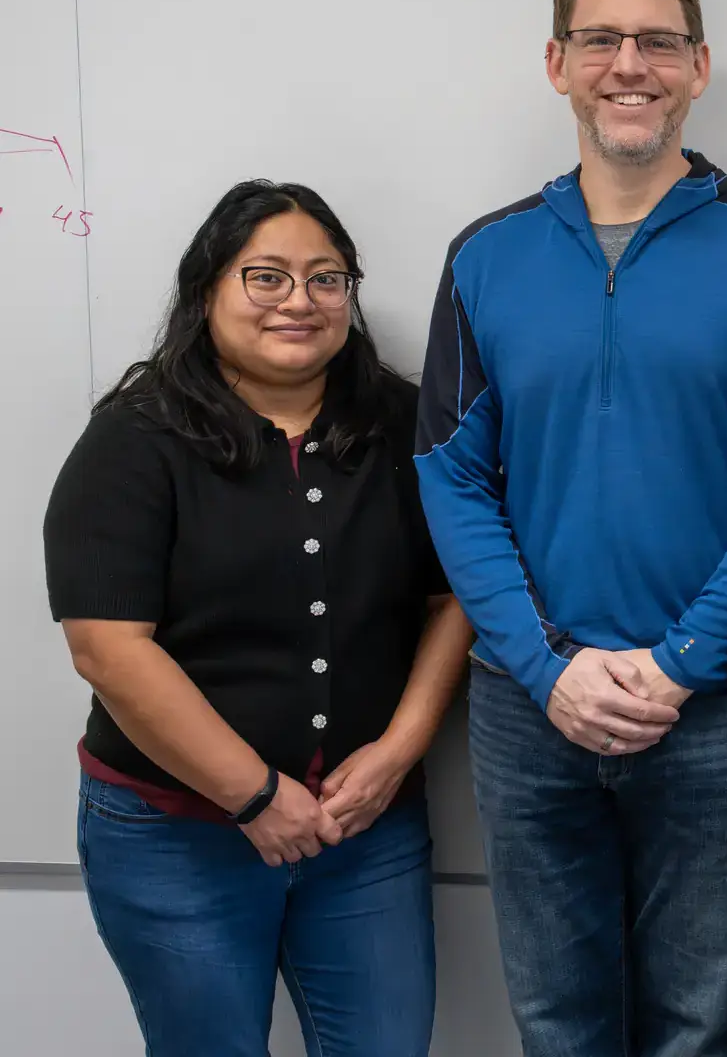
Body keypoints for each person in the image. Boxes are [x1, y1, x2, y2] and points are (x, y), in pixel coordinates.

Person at [414, 0, 727, 1057]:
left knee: (702, 1023)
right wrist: (548, 666)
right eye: (601, 39)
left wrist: (681, 660)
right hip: (527, 707)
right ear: (556, 62)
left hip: (721, 704)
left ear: (699, 66)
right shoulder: (485, 254)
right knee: (558, 1022)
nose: (629, 65)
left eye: (658, 41)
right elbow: (452, 477)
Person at [44, 180, 470, 1057]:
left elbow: (454, 597)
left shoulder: (404, 423)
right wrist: (255, 794)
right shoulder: (134, 438)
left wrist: (398, 752)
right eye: (265, 276)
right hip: (174, 832)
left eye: (326, 278)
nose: (299, 301)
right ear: (207, 290)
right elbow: (108, 649)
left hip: (365, 829)